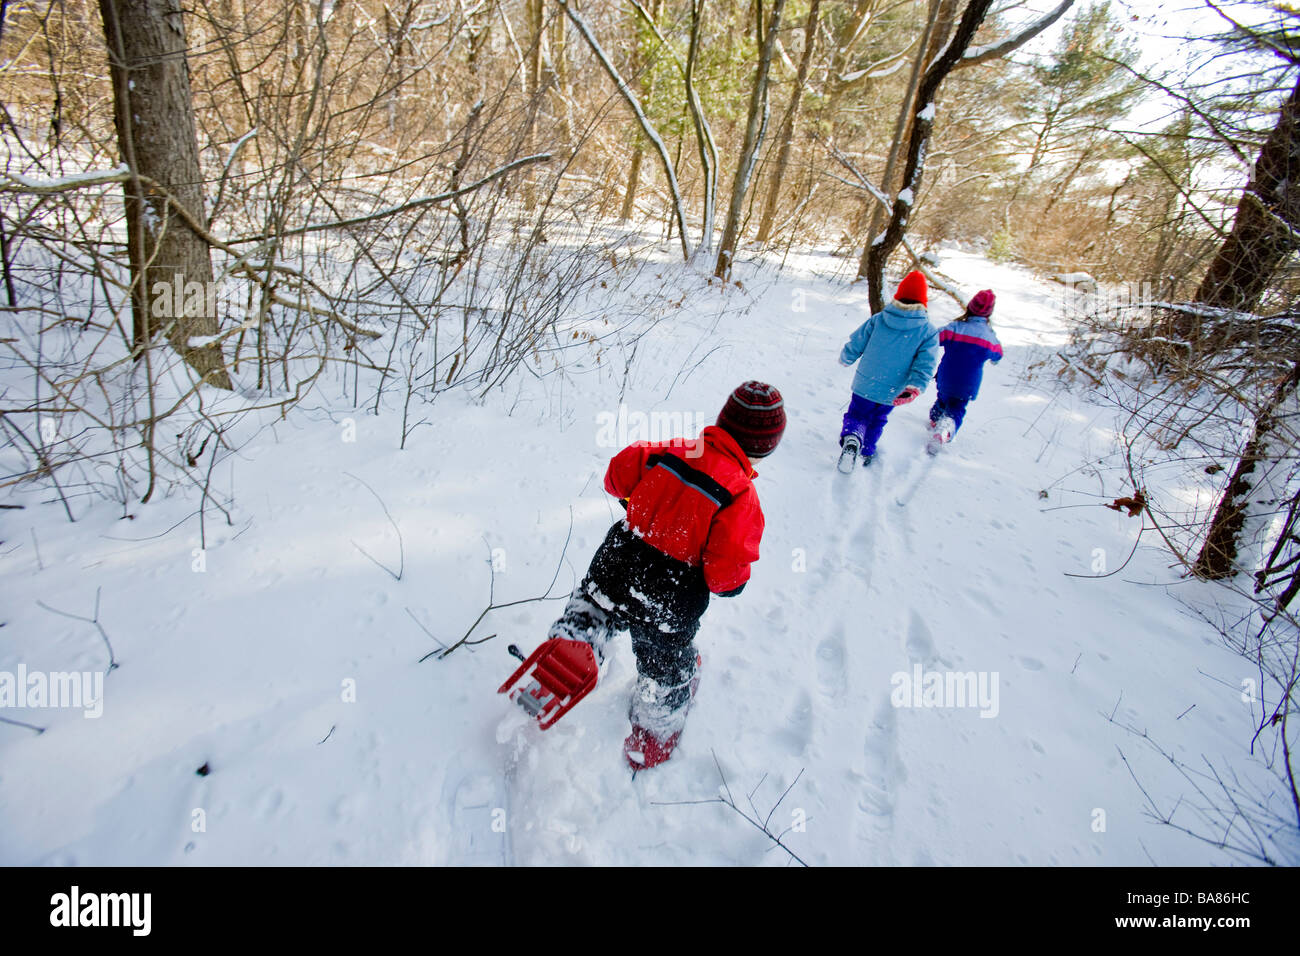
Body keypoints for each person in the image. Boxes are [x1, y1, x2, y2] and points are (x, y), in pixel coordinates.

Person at [544, 382, 785, 770]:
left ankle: (574, 639)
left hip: (619, 561)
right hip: (668, 598)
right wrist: (733, 584)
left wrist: (638, 500)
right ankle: (653, 731)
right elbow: (725, 575)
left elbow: (616, 477)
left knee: (595, 606)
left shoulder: (677, 449)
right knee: (664, 664)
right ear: (765, 448)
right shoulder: (740, 495)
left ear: (722, 420)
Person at [838, 270, 940, 469]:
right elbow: (925, 365)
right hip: (893, 389)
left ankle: (852, 438)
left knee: (857, 414)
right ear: (923, 302)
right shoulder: (928, 331)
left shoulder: (879, 319)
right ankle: (866, 451)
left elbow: (857, 341)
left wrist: (846, 357)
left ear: (898, 295)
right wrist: (915, 386)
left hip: (865, 381)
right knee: (877, 419)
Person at [928, 289, 1003, 447]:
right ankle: (946, 428)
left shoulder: (955, 328)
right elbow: (998, 354)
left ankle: (934, 420)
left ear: (970, 307)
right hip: (968, 384)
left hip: (946, 377)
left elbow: (933, 338)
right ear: (989, 314)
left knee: (943, 398)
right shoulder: (989, 337)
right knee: (957, 408)